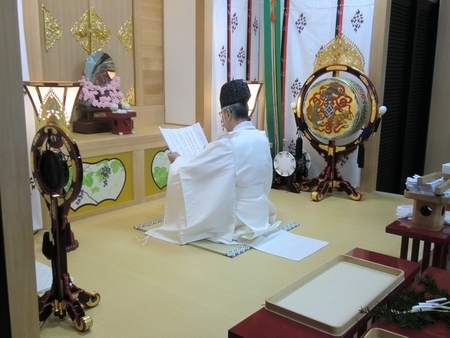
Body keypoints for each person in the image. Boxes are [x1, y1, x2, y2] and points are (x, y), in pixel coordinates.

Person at [146, 79, 277, 245]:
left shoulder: (229, 144)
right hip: (261, 211)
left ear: (228, 113)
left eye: (222, 115)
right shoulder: (261, 137)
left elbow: (192, 170)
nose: (222, 119)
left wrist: (177, 160)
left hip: (239, 217)